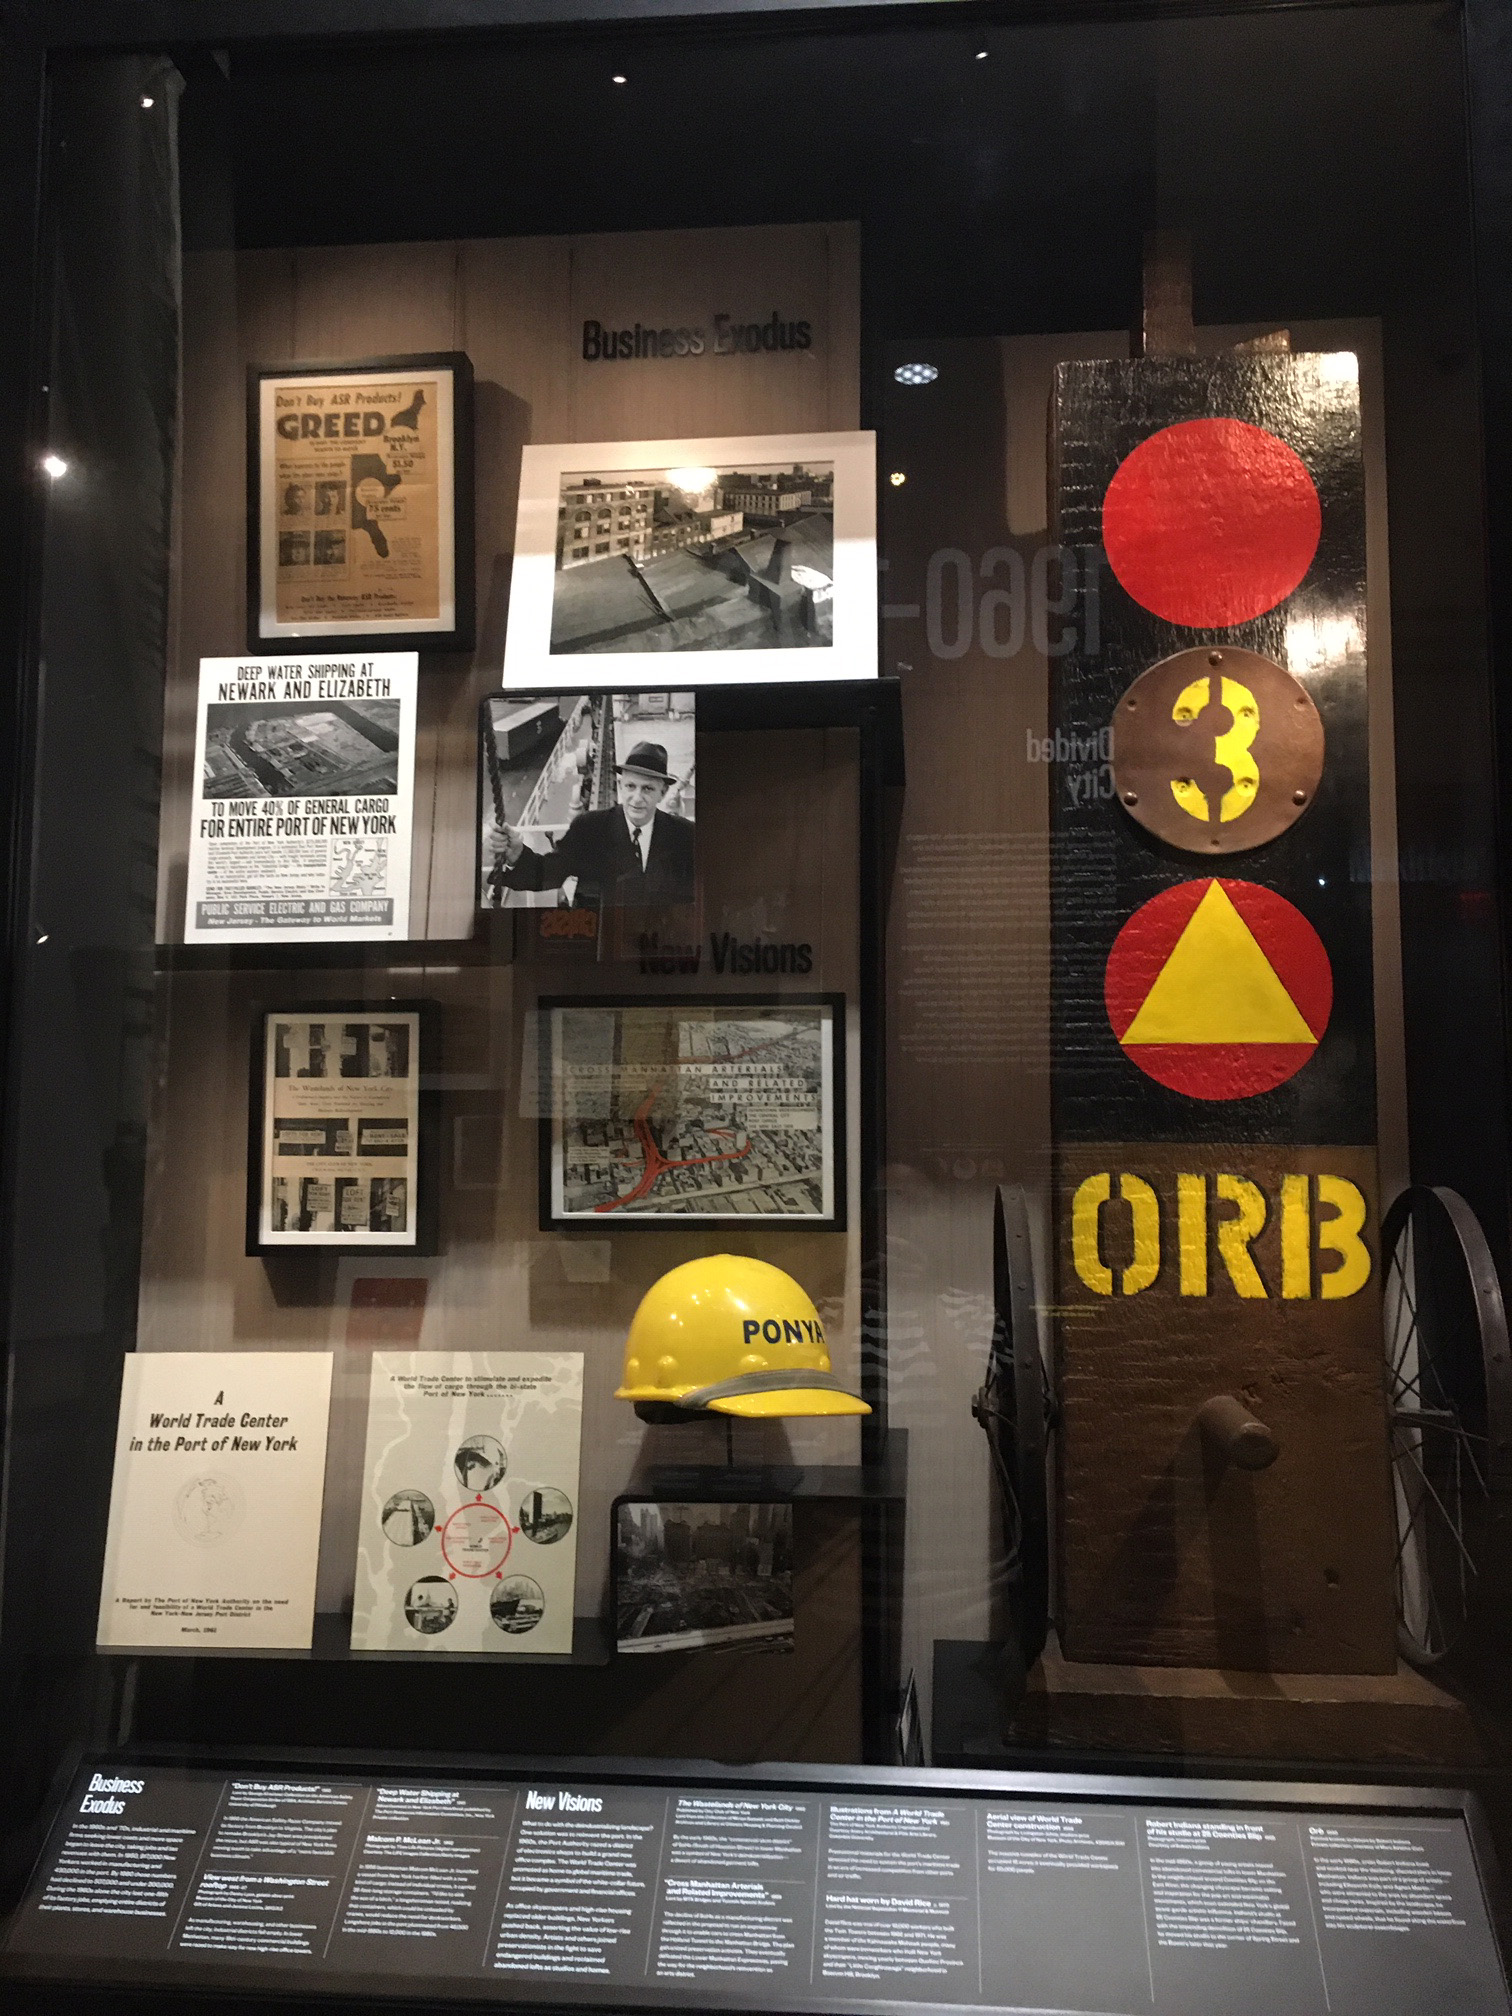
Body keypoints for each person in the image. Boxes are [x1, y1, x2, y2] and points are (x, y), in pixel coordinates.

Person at [492, 741, 695, 908]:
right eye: (631, 786)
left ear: (662, 793)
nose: (637, 798)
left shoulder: (685, 834)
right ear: (620, 786)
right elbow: (550, 873)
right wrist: (518, 855)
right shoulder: (589, 827)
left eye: (648, 789)